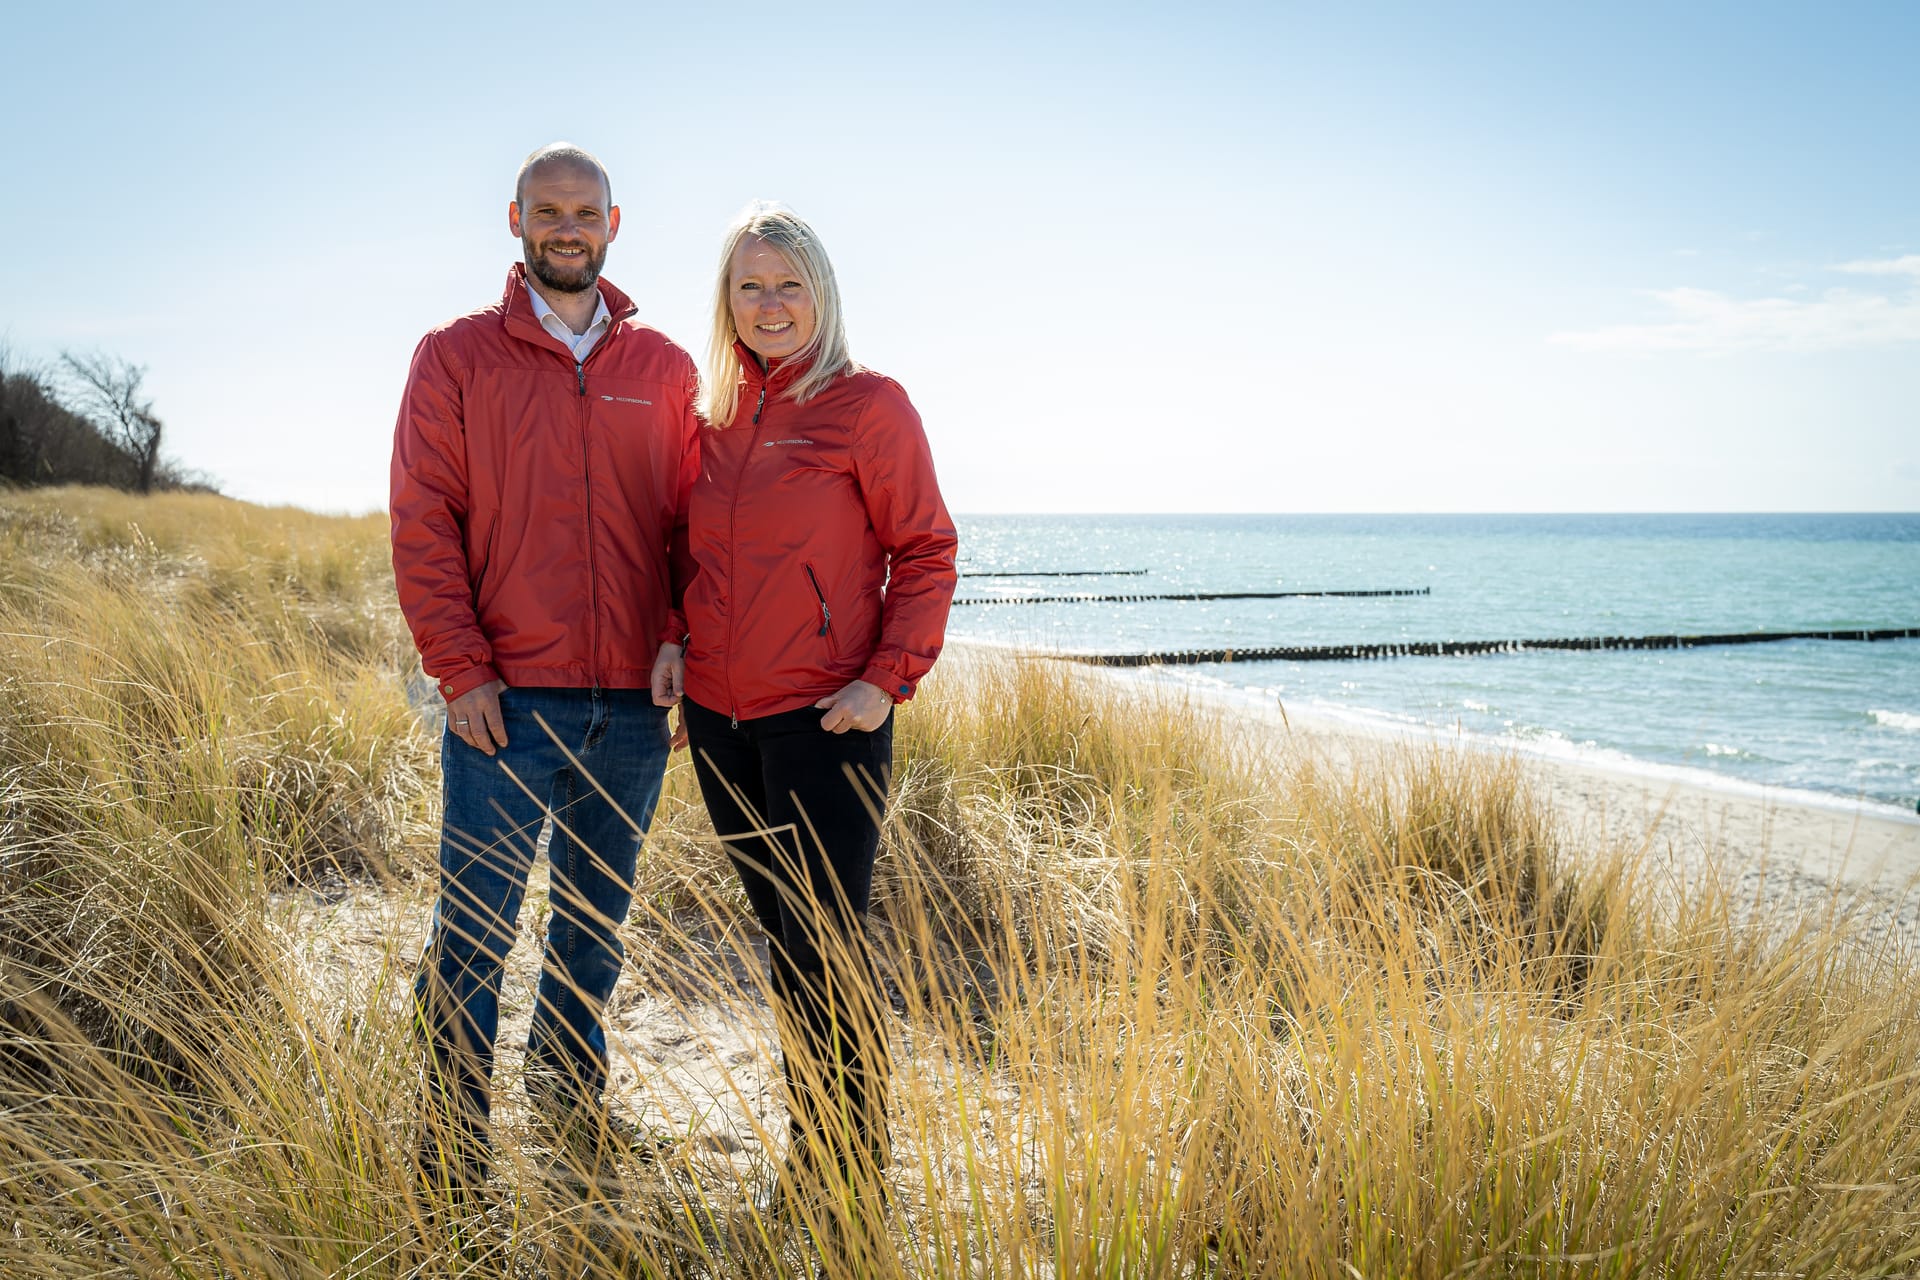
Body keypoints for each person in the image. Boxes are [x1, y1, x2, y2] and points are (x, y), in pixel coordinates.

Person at [390, 141, 700, 1197]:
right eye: (548, 210)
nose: (567, 226)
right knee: (474, 933)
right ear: (514, 220)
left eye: (586, 211)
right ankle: (448, 1157)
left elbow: (688, 524)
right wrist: (459, 668)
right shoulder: (455, 356)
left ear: (615, 226)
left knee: (592, 929)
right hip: (503, 703)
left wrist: (681, 633)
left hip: (631, 707)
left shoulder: (664, 367)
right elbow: (424, 522)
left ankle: (569, 1110)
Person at [651, 202, 957, 1233]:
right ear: (726, 300)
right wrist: (675, 642)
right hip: (723, 720)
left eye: (788, 283)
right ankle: (812, 1162)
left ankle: (850, 1186)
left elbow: (925, 549)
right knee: (785, 941)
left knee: (827, 945)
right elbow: (682, 554)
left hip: (828, 717)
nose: (770, 303)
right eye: (751, 285)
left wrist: (886, 678)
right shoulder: (711, 419)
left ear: (820, 292)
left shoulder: (869, 406)